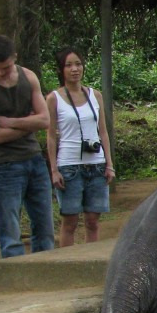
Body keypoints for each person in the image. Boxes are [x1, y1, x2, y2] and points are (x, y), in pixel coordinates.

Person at [0, 35, 56, 258]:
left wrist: (11, 122)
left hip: (34, 160)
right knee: (10, 233)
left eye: (6, 67)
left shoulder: (29, 77)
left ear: (15, 57)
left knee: (45, 230)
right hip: (4, 166)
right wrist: (30, 122)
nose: (1, 73)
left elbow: (45, 121)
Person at [45, 48, 114, 246]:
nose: (75, 69)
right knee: (70, 221)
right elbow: (50, 136)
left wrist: (109, 164)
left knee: (93, 220)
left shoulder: (96, 95)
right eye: (69, 65)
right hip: (69, 166)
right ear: (61, 70)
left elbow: (103, 132)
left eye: (78, 64)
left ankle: (89, 261)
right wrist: (54, 170)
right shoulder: (54, 98)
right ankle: (66, 265)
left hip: (97, 165)